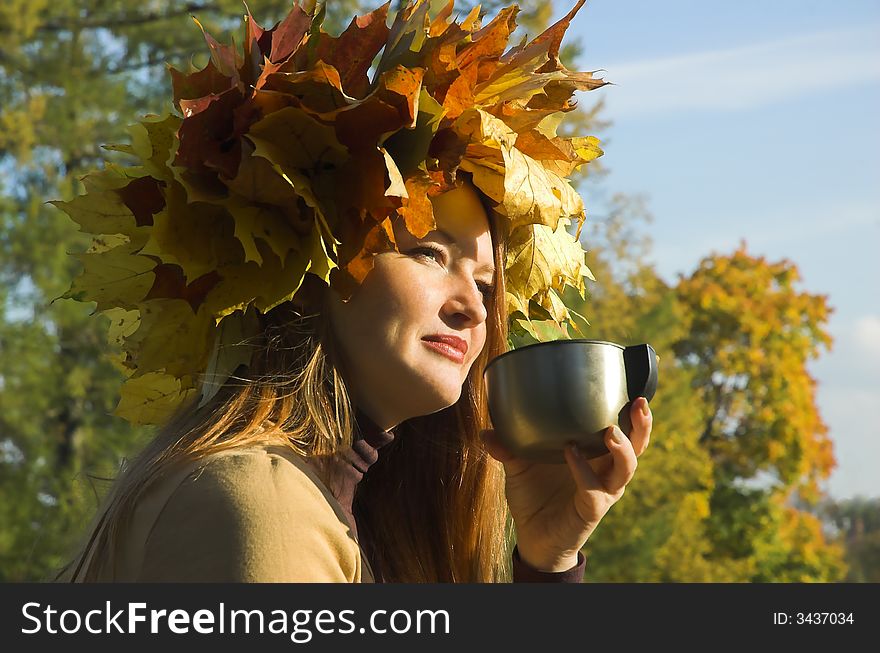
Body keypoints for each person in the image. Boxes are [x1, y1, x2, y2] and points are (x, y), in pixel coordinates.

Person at [52, 0, 652, 583]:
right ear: (311, 267)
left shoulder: (340, 509)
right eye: (427, 252)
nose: (472, 307)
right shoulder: (264, 503)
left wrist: (547, 562)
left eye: (488, 284)